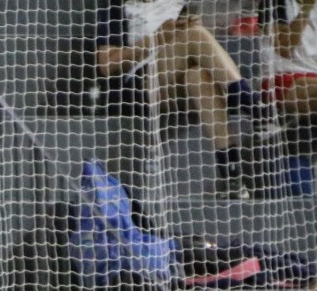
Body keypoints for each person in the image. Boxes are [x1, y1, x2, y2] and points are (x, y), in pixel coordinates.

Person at [95, 0, 283, 197]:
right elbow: (107, 65)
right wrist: (157, 38)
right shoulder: (116, 5)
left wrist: (190, 23)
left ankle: (232, 175)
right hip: (141, 85)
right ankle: (254, 107)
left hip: (179, 83)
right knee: (194, 35)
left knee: (198, 75)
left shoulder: (178, 3)